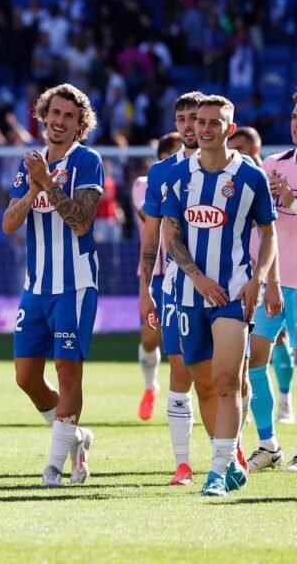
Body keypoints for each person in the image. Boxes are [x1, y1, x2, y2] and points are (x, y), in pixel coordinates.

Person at [161, 95, 280, 497]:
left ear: (230, 130)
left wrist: (259, 278)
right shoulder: (178, 177)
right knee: (205, 385)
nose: (206, 128)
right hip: (187, 296)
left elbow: (268, 233)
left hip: (232, 296)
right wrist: (195, 277)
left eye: (215, 122)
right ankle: (228, 462)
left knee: (228, 382)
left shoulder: (250, 177)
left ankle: (217, 471)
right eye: (201, 121)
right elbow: (170, 235)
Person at [2, 83, 103, 488]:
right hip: (37, 285)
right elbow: (9, 223)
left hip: (75, 283)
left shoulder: (88, 161)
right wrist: (33, 187)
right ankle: (75, 437)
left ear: (80, 125)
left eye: (69, 117)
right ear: (43, 116)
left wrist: (49, 184)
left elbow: (81, 221)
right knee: (25, 376)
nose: (59, 122)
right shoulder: (30, 164)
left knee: (67, 372)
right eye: (54, 113)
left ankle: (54, 467)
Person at [138, 93, 205, 486]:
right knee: (181, 372)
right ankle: (183, 464)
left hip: (225, 287)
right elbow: (151, 236)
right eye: (181, 118)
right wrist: (146, 286)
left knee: (226, 377)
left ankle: (231, 450)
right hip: (175, 288)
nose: (188, 125)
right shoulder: (162, 172)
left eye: (194, 118)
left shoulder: (238, 170)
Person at [245, 96, 297, 472]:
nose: (296, 122)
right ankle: (269, 446)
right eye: (294, 115)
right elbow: (262, 229)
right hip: (273, 285)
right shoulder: (273, 165)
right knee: (254, 360)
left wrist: (292, 202)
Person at [132, 132, 182, 418]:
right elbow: (152, 218)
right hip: (154, 274)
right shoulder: (144, 183)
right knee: (151, 337)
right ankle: (151, 387)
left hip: (184, 272)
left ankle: (184, 401)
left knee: (181, 338)